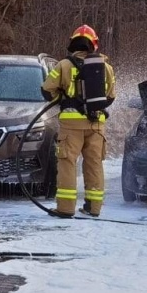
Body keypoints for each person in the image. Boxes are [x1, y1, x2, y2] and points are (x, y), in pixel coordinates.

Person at [41, 26, 115, 218]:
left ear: (73, 43)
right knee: (94, 164)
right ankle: (94, 207)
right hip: (96, 125)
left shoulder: (64, 65)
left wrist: (63, 98)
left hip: (71, 125)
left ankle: (65, 208)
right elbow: (110, 97)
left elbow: (47, 90)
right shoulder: (106, 67)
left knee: (67, 163)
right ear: (94, 44)